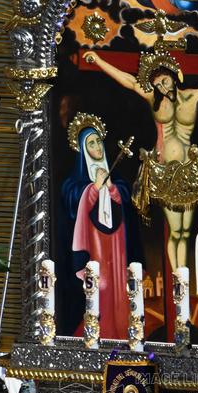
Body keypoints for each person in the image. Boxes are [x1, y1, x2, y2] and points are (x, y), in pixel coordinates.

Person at [84, 45, 198, 270]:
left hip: (189, 170)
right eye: (157, 85)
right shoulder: (154, 101)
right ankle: (178, 277)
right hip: (165, 172)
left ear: (175, 77)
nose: (162, 88)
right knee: (174, 231)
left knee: (185, 232)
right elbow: (128, 81)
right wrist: (98, 60)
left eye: (165, 81)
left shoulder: (193, 96)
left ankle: (182, 274)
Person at [60, 112, 137, 339]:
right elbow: (72, 201)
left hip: (115, 243)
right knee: (100, 287)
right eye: (91, 144)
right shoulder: (76, 181)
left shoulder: (117, 178)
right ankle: (97, 330)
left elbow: (124, 201)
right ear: (84, 150)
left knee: (116, 286)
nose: (97, 147)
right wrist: (94, 188)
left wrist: (112, 188)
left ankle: (119, 330)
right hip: (93, 243)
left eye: (98, 142)